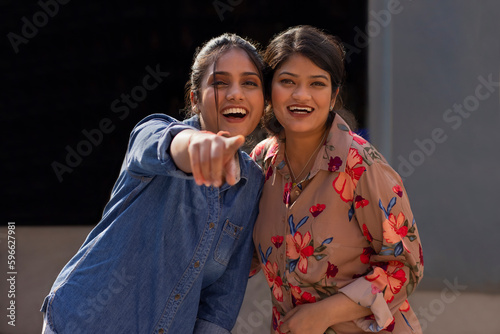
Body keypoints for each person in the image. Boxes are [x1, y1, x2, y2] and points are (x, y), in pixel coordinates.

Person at [41, 33, 266, 333]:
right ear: (195, 99)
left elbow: (220, 302)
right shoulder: (156, 131)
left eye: (249, 83)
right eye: (219, 82)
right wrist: (196, 146)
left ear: (264, 101)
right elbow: (165, 145)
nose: (235, 93)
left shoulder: (252, 185)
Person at [250, 25, 424, 333]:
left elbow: (405, 267)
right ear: (269, 91)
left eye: (317, 83)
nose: (301, 95)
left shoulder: (361, 166)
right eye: (287, 81)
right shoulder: (262, 163)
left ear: (333, 97)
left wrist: (326, 313)